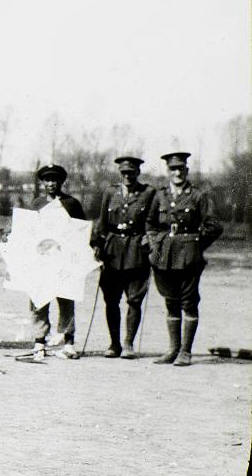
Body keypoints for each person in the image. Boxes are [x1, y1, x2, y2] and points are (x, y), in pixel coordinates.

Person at [146, 152, 222, 366]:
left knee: (188, 302)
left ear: (187, 171)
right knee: (170, 301)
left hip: (189, 257)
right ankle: (173, 349)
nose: (177, 172)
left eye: (181, 169)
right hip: (163, 256)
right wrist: (154, 246)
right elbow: (150, 224)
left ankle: (185, 352)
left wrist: (196, 246)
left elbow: (214, 226)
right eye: (173, 169)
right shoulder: (160, 196)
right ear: (168, 171)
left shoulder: (198, 195)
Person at [92, 156, 156, 358]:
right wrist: (96, 244)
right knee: (111, 299)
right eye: (124, 173)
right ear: (120, 173)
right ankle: (114, 344)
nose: (128, 176)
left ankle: (128, 344)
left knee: (134, 300)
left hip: (137, 251)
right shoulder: (111, 192)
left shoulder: (148, 193)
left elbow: (153, 222)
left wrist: (150, 240)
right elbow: (102, 222)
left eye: (132, 172)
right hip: (112, 251)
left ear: (138, 173)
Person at [29, 164, 86, 360]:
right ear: (42, 182)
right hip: (42, 261)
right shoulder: (36, 204)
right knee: (39, 300)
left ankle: (68, 341)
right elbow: (29, 232)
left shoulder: (72, 204)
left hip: (64, 261)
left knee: (66, 298)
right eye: (47, 180)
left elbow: (81, 232)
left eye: (54, 180)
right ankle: (39, 341)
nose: (51, 184)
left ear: (61, 182)